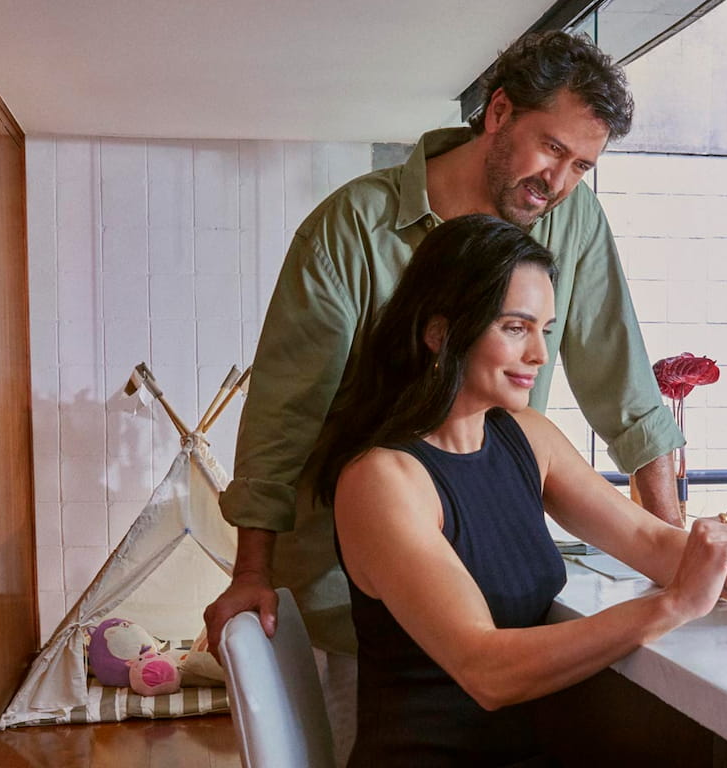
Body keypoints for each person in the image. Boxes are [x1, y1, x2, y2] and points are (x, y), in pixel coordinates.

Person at [207, 30, 681, 756]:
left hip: (492, 563)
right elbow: (284, 412)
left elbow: (621, 375)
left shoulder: (572, 220)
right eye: (551, 149)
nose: (559, 182)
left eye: (582, 165)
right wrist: (252, 572)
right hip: (360, 585)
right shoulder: (351, 229)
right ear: (497, 113)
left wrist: (679, 543)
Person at [313, 214, 727, 766]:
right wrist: (675, 604)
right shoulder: (382, 480)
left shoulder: (526, 436)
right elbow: (486, 668)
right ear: (439, 333)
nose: (538, 353)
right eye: (515, 328)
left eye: (545, 329)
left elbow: (650, 542)